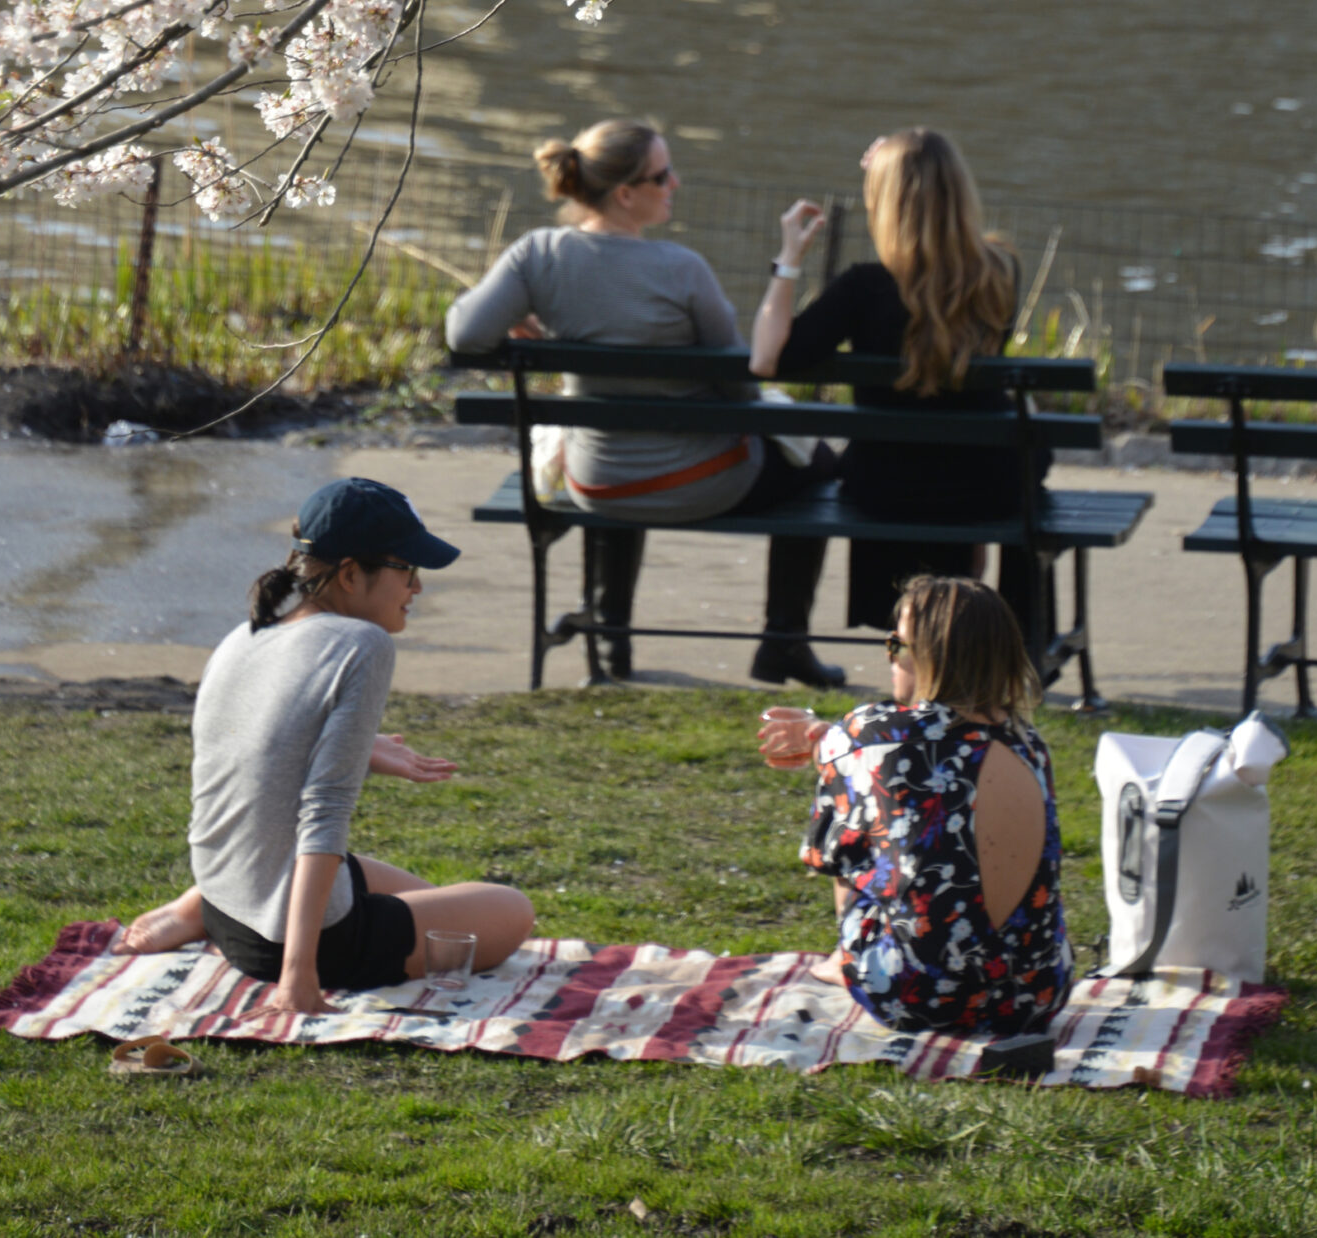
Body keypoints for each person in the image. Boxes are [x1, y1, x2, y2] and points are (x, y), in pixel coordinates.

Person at [445, 117, 843, 689]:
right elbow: (740, 392)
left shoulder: (538, 255)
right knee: (818, 465)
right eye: (663, 175)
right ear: (626, 193)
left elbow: (464, 334)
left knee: (615, 441)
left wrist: (521, 319)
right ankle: (784, 643)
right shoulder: (682, 270)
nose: (675, 183)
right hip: (704, 483)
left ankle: (612, 646)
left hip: (596, 482)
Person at [116, 477, 535, 1019]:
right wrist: (299, 974)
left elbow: (251, 758)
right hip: (294, 943)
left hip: (228, 907)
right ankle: (293, 949)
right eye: (407, 569)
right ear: (350, 573)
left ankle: (192, 909)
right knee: (509, 909)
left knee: (436, 897)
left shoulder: (249, 633)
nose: (418, 587)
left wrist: (365, 746)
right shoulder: (362, 644)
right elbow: (325, 810)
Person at [749, 128, 1047, 633]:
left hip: (888, 484)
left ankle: (905, 639)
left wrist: (789, 262)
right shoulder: (1001, 271)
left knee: (920, 464)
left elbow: (766, 360)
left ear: (884, 203)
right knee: (1010, 451)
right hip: (986, 484)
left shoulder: (863, 289)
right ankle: (987, 637)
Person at [757, 576, 1072, 1035]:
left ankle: (844, 958)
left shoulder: (868, 735)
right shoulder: (1030, 744)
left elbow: (827, 854)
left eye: (897, 645)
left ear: (932, 657)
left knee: (857, 839)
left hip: (915, 997)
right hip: (1036, 994)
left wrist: (827, 745)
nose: (891, 659)